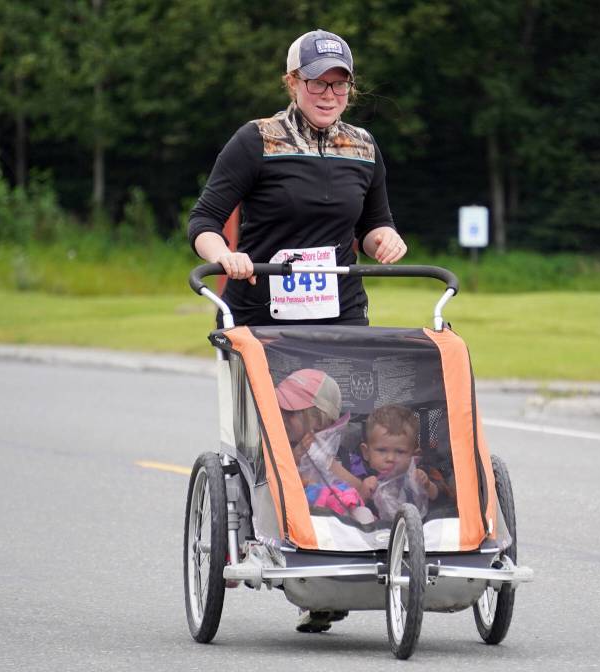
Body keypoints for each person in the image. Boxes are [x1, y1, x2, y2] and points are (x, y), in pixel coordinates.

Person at [188, 28, 407, 327]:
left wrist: (385, 239)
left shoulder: (363, 146)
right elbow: (203, 221)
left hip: (342, 315)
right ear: (293, 82)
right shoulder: (257, 139)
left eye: (339, 84)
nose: (329, 95)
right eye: (318, 83)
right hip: (260, 316)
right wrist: (225, 256)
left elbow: (373, 226)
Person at [273, 367, 366, 634]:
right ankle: (318, 604)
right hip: (296, 518)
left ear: (318, 422)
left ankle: (326, 602)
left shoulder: (338, 447)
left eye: (292, 413)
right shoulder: (278, 442)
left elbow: (358, 487)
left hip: (338, 514)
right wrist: (296, 454)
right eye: (282, 410)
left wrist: (326, 462)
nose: (283, 417)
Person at [357, 405, 439, 523]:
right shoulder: (362, 475)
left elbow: (439, 495)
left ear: (414, 454)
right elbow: (349, 506)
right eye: (382, 450)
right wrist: (362, 493)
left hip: (414, 530)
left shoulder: (418, 472)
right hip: (374, 533)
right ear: (366, 452)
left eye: (400, 452)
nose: (390, 458)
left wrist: (427, 485)